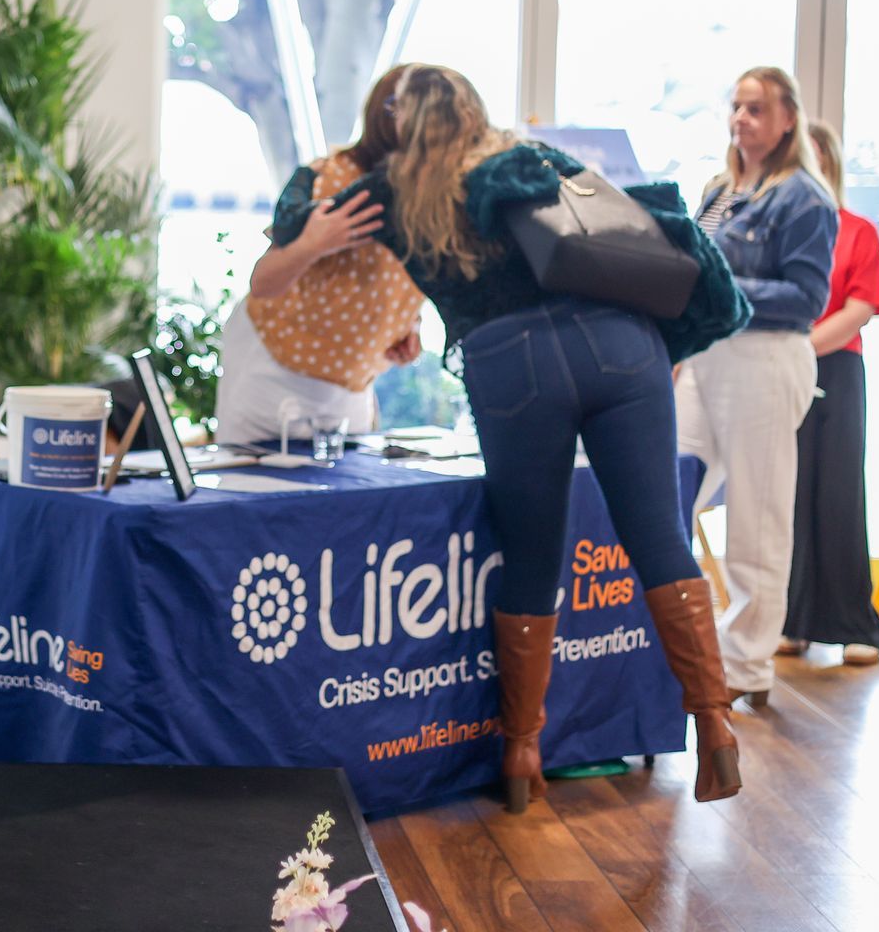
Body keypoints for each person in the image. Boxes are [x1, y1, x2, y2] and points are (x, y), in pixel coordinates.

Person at [273, 64, 751, 810]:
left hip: (508, 366)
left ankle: (522, 754)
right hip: (620, 346)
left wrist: (316, 186)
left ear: (404, 121)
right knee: (659, 538)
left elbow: (291, 217)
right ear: (472, 108)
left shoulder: (391, 193)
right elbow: (633, 228)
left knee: (531, 557)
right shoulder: (526, 160)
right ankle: (716, 724)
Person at [676, 66, 839, 708]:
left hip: (766, 359)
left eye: (755, 109)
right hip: (707, 356)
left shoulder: (804, 198)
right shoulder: (719, 188)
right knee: (668, 497)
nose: (741, 120)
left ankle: (746, 666)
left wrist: (717, 289)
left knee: (756, 519)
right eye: (736, 107)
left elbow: (806, 298)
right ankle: (673, 642)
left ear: (787, 119)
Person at [215, 65, 426, 446]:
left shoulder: (429, 200)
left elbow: (393, 283)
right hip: (275, 371)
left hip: (349, 389)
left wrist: (404, 330)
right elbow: (263, 282)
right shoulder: (330, 179)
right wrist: (313, 243)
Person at [781, 120, 879, 665]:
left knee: (839, 495)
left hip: (837, 370)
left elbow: (860, 308)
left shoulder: (858, 230)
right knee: (786, 497)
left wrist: (803, 348)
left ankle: (856, 628)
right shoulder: (779, 229)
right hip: (779, 372)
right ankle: (790, 623)